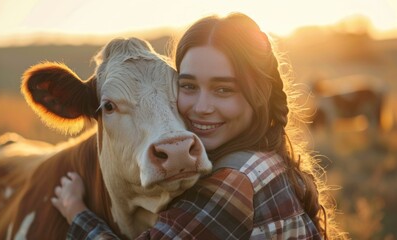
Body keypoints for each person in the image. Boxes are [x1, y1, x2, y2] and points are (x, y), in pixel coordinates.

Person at [52, 13, 344, 239]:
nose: (202, 108)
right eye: (187, 86)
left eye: (223, 89)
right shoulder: (265, 157)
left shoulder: (233, 182)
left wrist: (77, 213)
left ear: (258, 95)